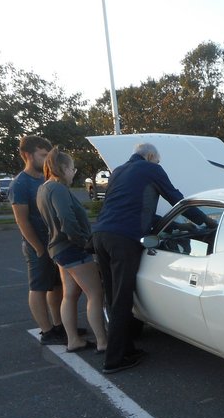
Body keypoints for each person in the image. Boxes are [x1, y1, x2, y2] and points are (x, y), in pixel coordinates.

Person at [92, 142, 184, 374]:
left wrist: (163, 221)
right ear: (151, 156)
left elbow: (131, 208)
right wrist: (204, 222)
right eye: (158, 161)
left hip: (101, 235)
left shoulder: (119, 171)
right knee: (123, 299)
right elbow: (177, 199)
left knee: (113, 296)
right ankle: (113, 360)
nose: (158, 164)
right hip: (123, 240)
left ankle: (127, 349)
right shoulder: (151, 169)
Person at [36, 148, 107, 354]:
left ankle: (73, 340)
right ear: (64, 168)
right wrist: (85, 242)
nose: (74, 172)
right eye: (73, 168)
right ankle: (103, 341)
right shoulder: (58, 189)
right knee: (95, 293)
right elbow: (67, 220)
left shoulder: (43, 189)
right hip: (73, 249)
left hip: (58, 250)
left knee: (70, 295)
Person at [9, 135, 73, 344]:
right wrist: (38, 248)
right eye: (42, 155)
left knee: (56, 286)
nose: (47, 159)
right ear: (27, 155)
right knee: (38, 287)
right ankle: (47, 332)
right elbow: (22, 220)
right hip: (38, 246)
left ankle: (58, 325)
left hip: (55, 244)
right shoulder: (20, 183)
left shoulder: (46, 179)